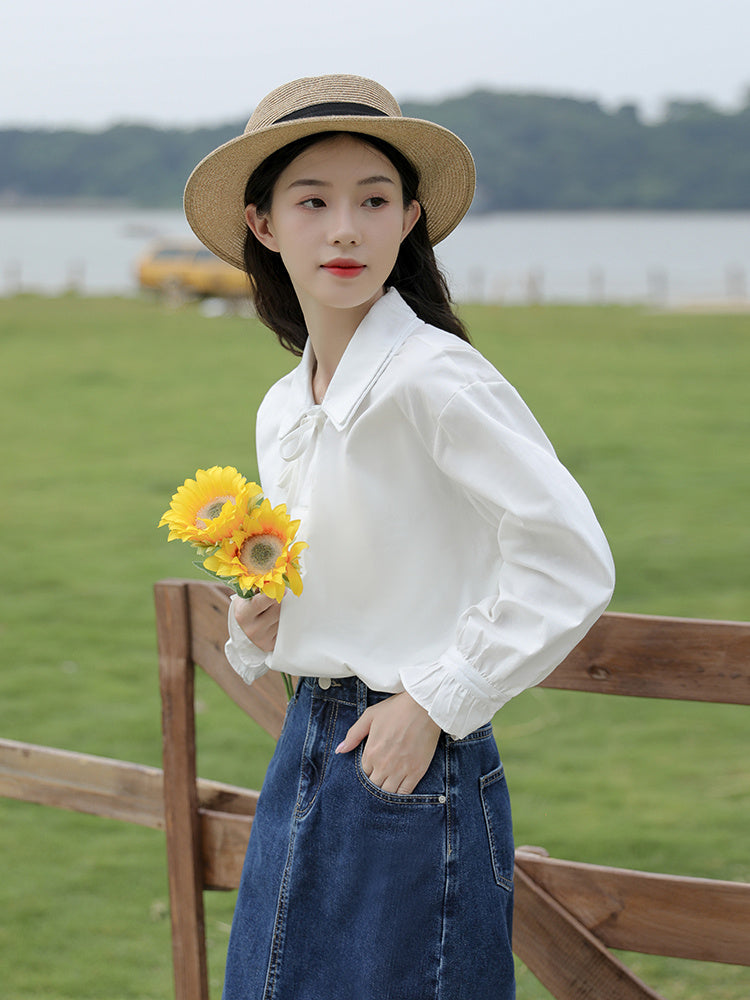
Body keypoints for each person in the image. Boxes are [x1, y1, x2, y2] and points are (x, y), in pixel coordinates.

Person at [184, 74, 615, 1000]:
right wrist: (266, 624)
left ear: (409, 219)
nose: (346, 228)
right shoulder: (282, 406)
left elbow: (569, 557)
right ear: (263, 224)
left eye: (374, 202)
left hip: (413, 758)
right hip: (308, 742)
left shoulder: (435, 378)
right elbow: (359, 561)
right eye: (314, 201)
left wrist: (433, 701)